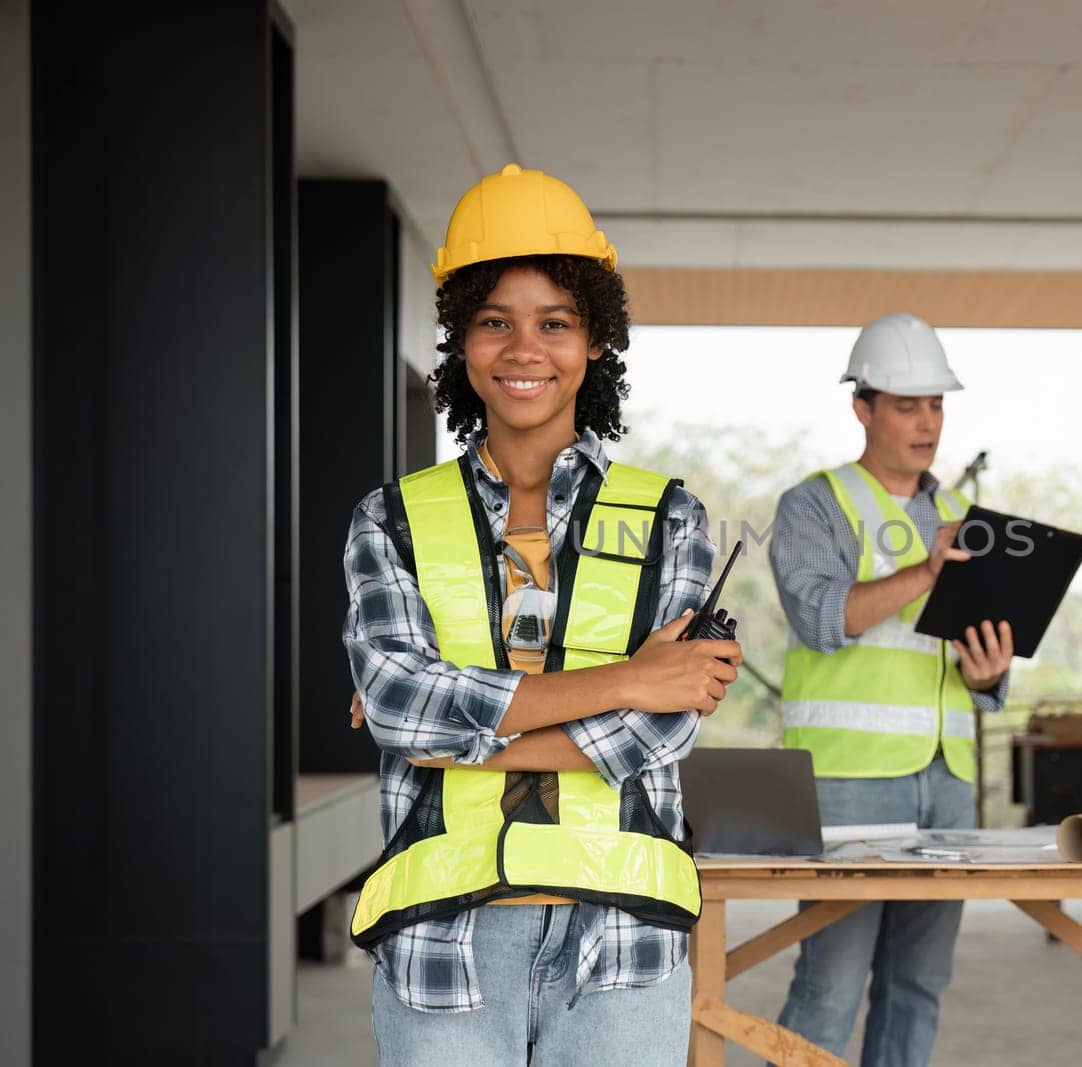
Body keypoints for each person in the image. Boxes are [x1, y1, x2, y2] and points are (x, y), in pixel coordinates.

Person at [342, 164, 741, 1065]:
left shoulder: (669, 516)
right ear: (460, 342)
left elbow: (657, 733)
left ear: (595, 341)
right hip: (440, 939)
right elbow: (403, 703)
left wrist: (450, 731)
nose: (525, 349)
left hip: (621, 935)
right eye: (496, 322)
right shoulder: (391, 517)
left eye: (554, 322)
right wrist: (632, 676)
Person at [769, 312, 1014, 1066]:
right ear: (863, 408)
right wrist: (925, 573)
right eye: (907, 404)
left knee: (918, 984)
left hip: (946, 784)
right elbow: (819, 618)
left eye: (936, 404)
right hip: (848, 783)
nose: (926, 421)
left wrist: (989, 675)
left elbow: (969, 666)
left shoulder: (962, 521)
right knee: (832, 985)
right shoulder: (814, 505)